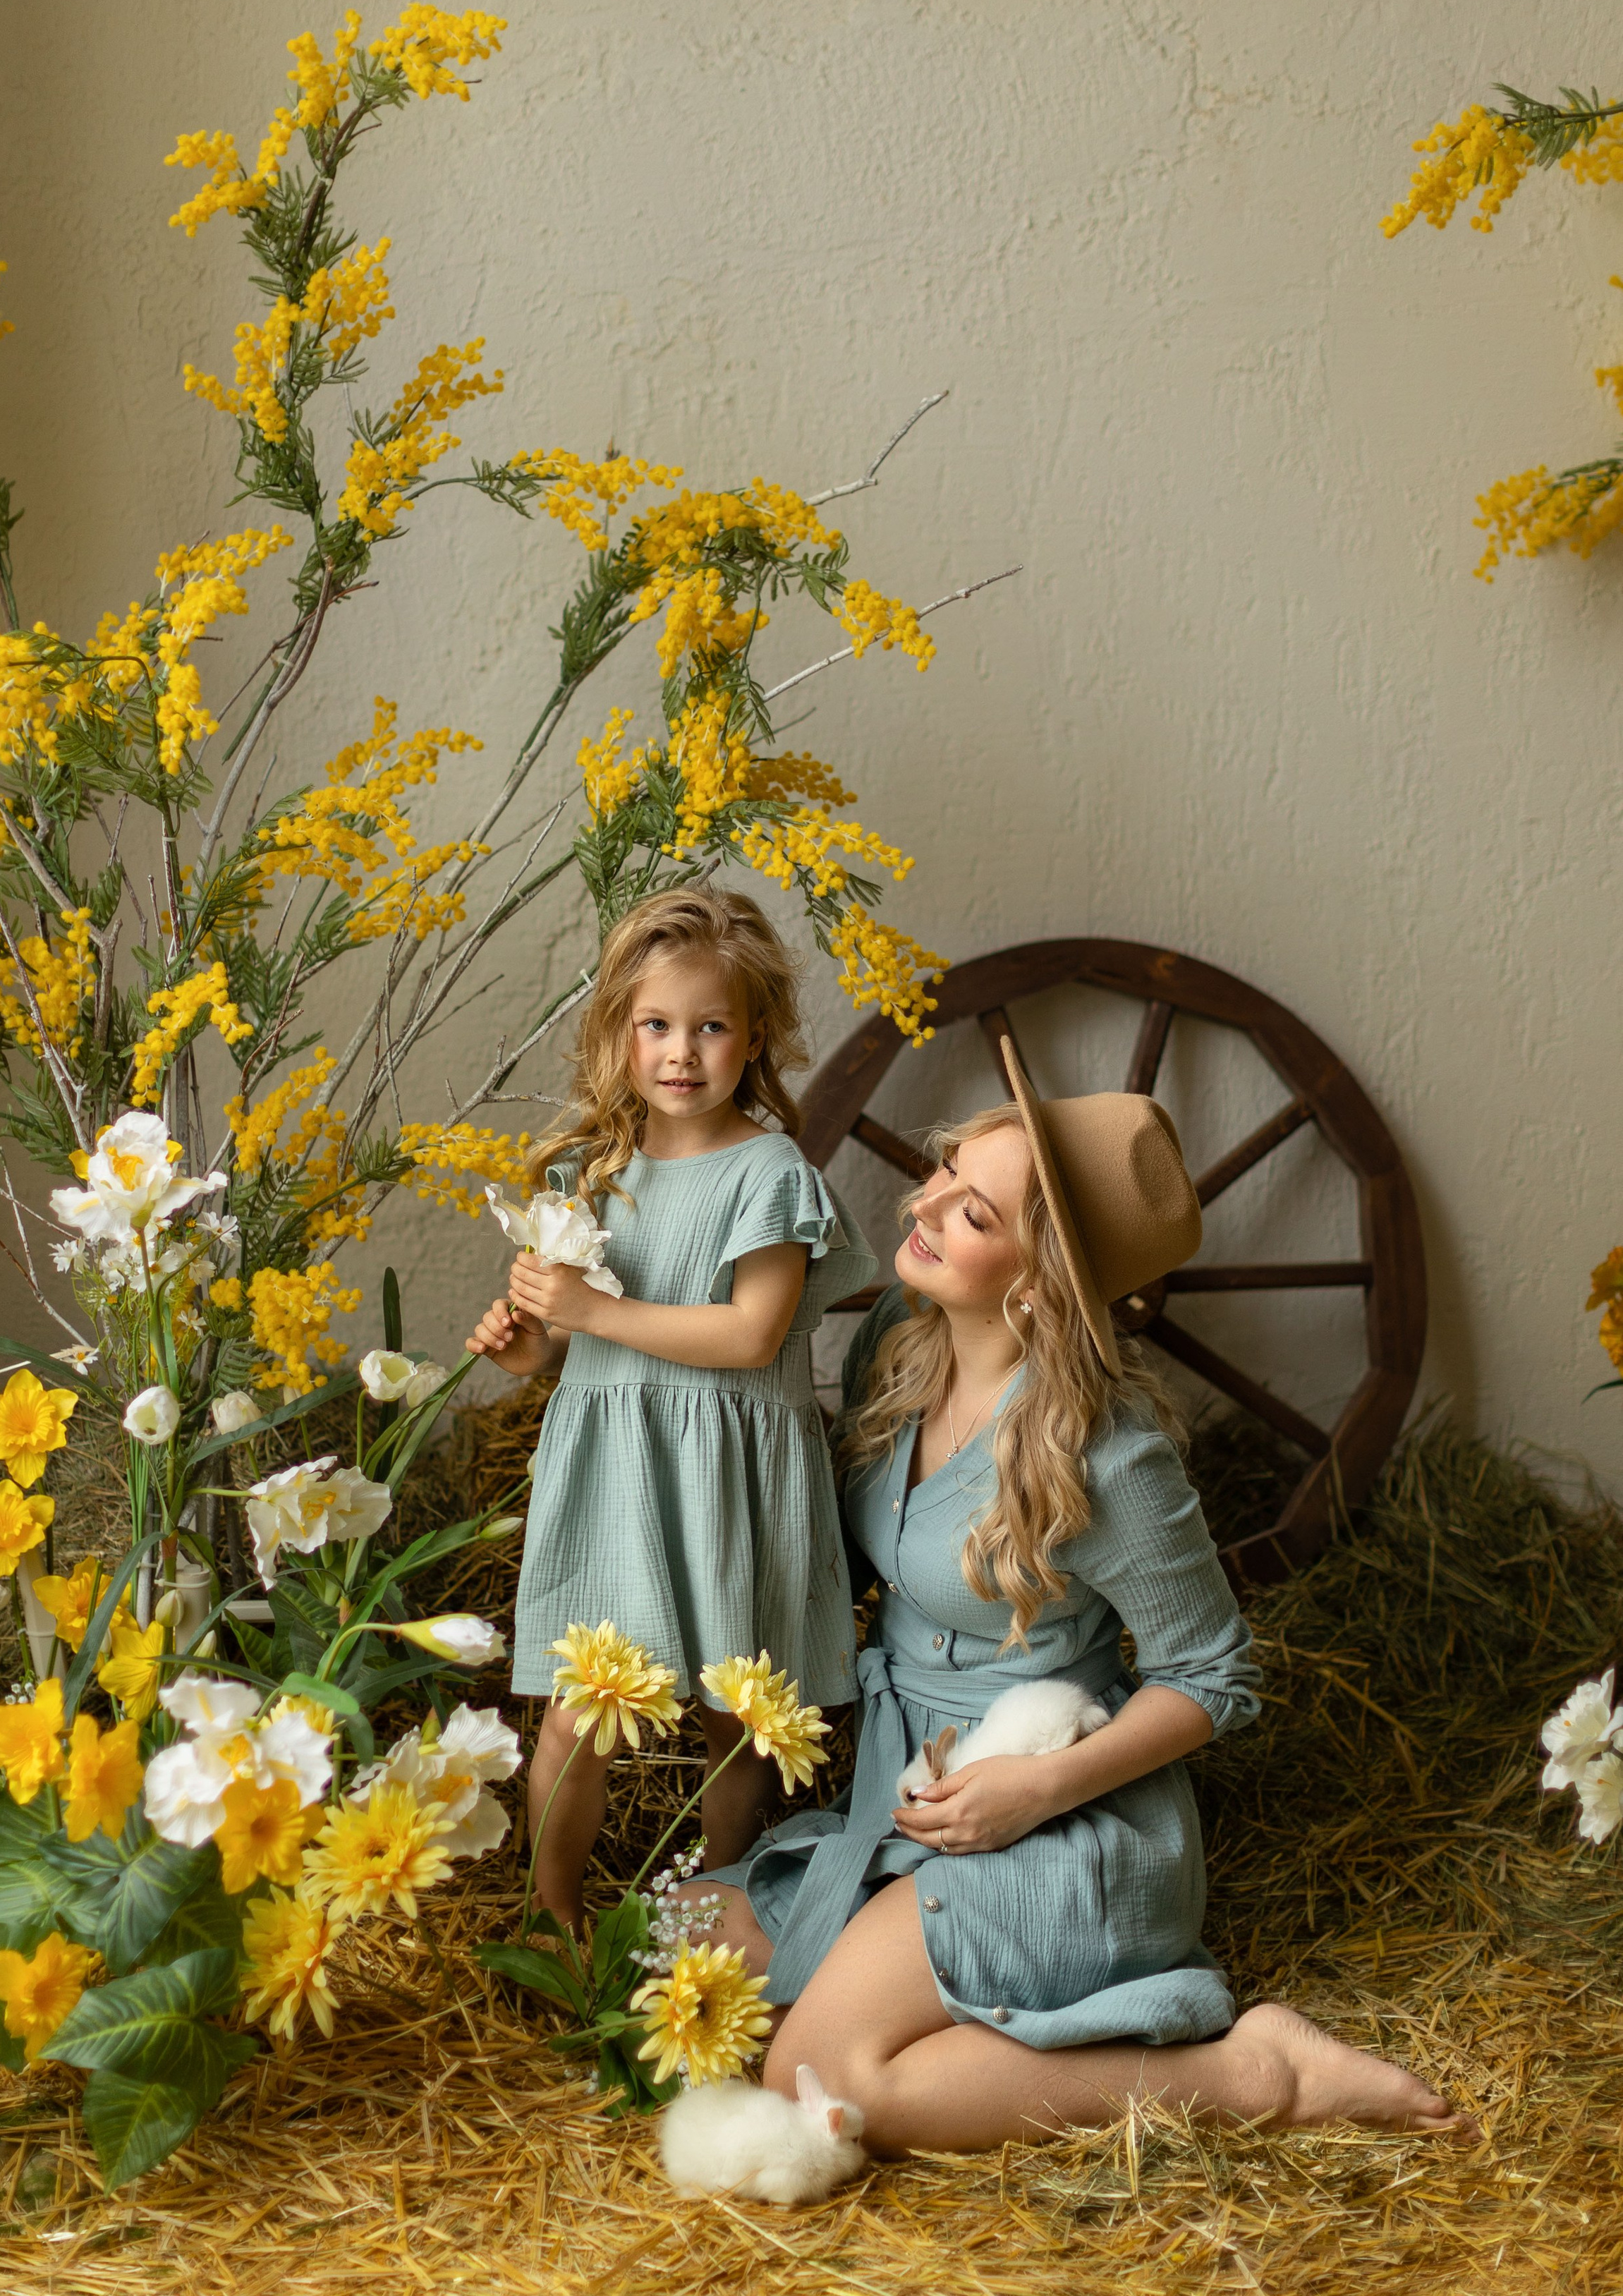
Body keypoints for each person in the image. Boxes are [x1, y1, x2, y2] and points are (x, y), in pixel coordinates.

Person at [695, 1055, 1469, 2148]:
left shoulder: (1109, 1457)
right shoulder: (892, 1353)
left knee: (811, 2080)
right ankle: (918, 1998)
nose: (921, 1208)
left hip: (1058, 1831)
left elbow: (1216, 1676)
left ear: (1040, 1277)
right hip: (911, 1796)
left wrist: (1037, 1788)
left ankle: (1250, 2072)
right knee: (662, 1947)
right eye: (946, 1173)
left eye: (971, 1212)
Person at [467, 886, 876, 1932]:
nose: (681, 1052)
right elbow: (562, 1349)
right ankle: (555, 1925)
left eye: (711, 1027)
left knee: (733, 1717)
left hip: (733, 1473)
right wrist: (527, 1341)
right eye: (655, 1024)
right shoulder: (589, 1173)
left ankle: (721, 1912)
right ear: (618, 1031)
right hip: (616, 1472)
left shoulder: (770, 1172)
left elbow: (749, 1335)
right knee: (576, 1718)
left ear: (756, 1038)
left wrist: (595, 1309)